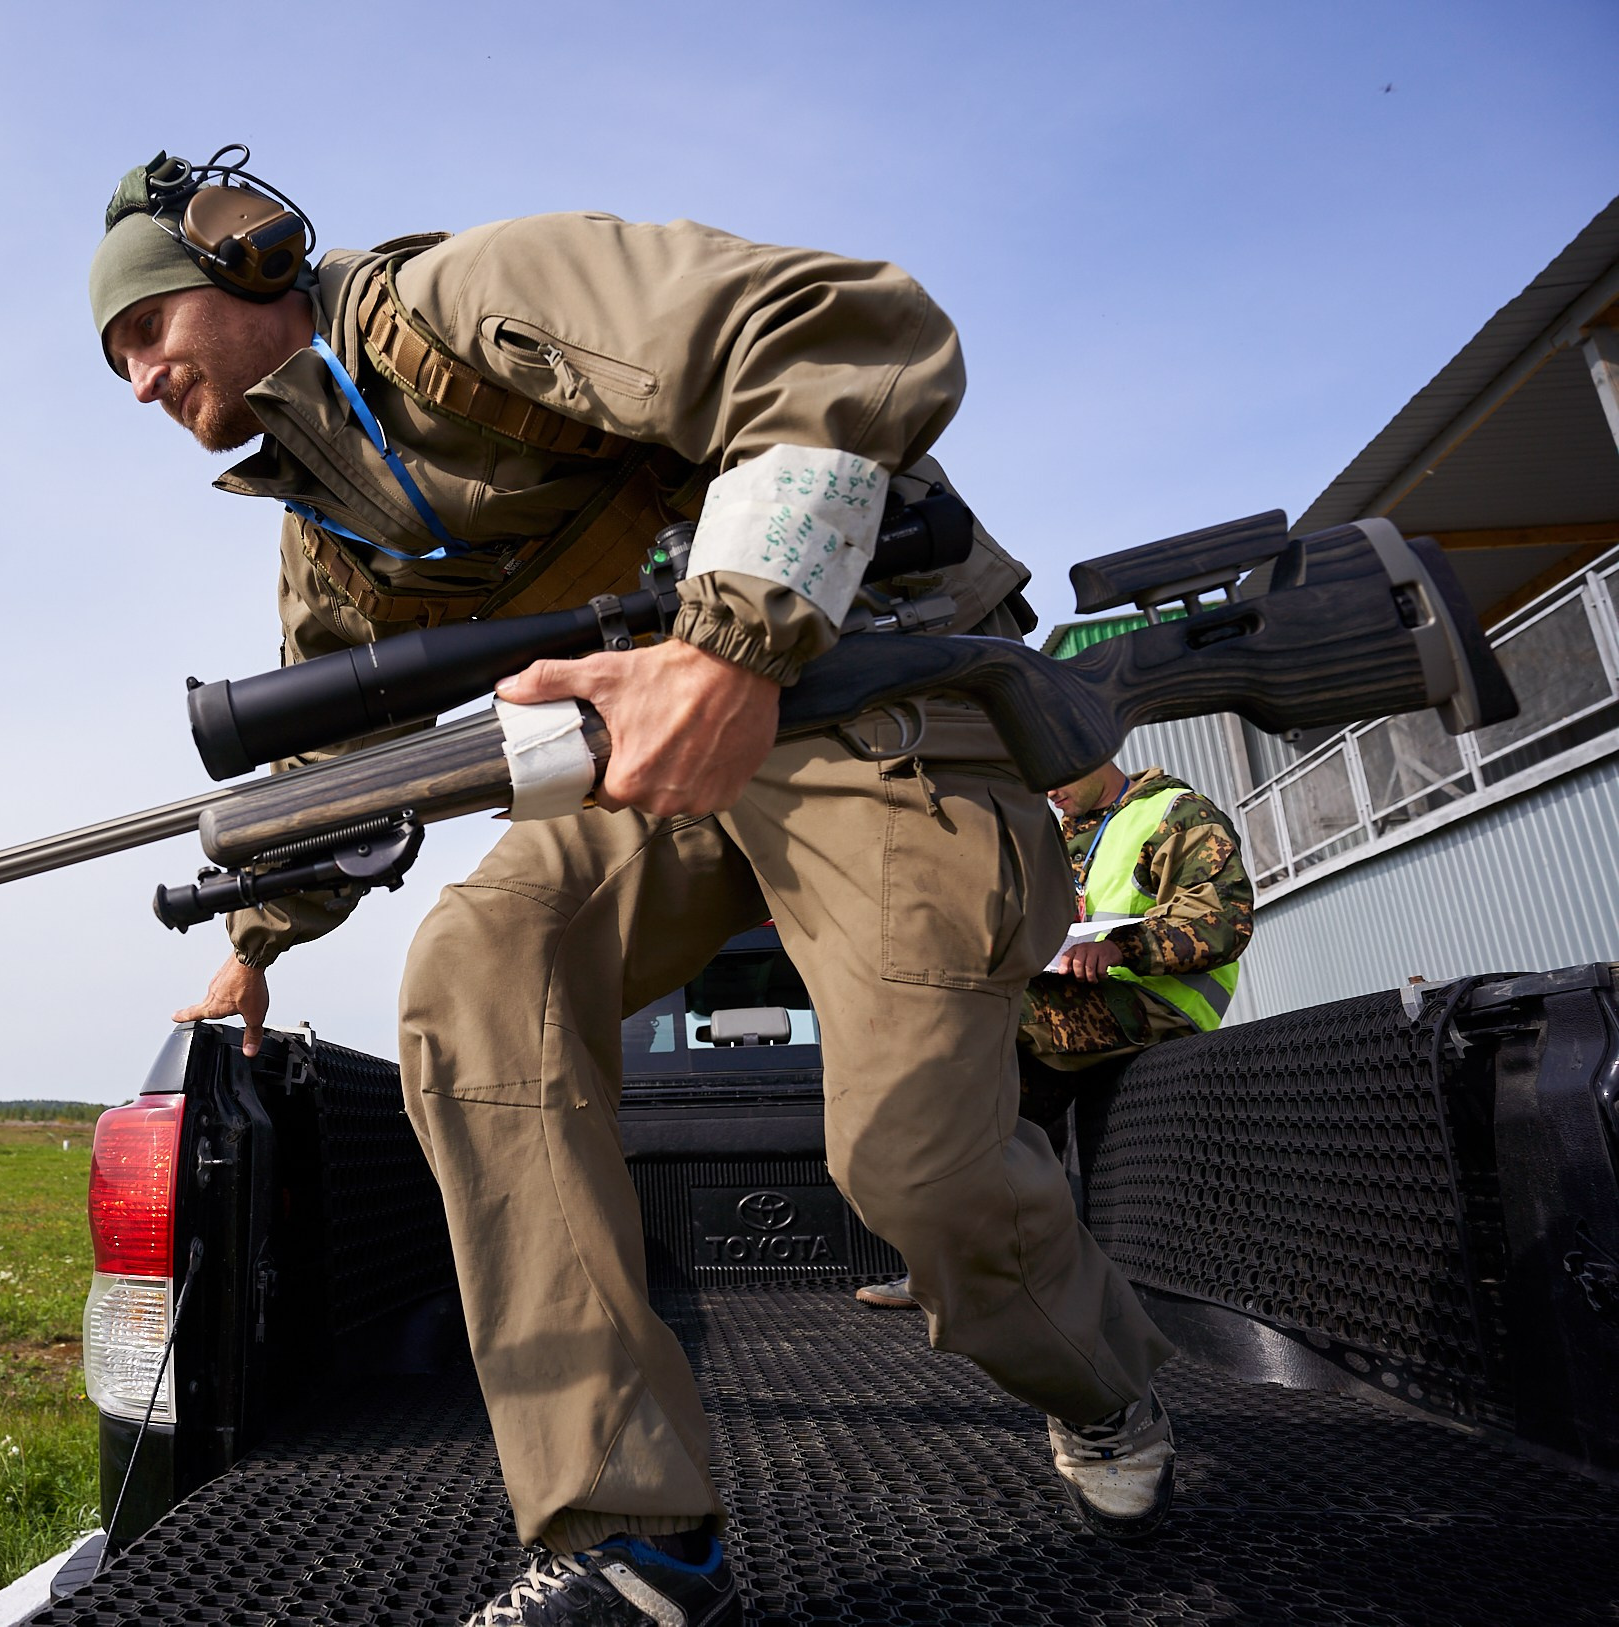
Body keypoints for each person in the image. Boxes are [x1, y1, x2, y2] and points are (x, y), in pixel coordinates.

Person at [90, 147, 1179, 1625]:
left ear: (244, 268)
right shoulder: (327, 521)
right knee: (472, 967)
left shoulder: (457, 301)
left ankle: (1105, 1383)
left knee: (915, 1169)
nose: (140, 382)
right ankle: (636, 1534)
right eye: (117, 365)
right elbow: (338, 749)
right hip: (660, 775)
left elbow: (843, 329)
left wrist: (732, 642)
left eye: (145, 333)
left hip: (875, 702)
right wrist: (256, 941)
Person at [855, 757, 1254, 1309]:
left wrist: (1119, 948)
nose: (1049, 794)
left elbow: (1221, 922)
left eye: (1054, 779)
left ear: (1089, 754)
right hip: (1078, 997)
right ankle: (968, 1264)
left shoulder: (1176, 814)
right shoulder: (1059, 835)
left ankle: (980, 1270)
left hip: (1155, 1003)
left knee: (988, 1032)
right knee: (980, 1066)